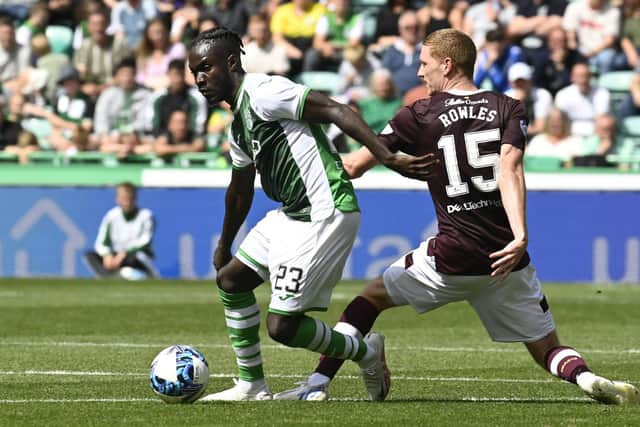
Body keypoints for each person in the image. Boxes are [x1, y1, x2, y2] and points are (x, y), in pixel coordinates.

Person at [275, 28, 640, 405]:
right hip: (505, 261)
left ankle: (317, 384)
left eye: (424, 63)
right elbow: (510, 170)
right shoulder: (507, 107)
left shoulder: (419, 113)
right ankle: (585, 377)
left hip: (449, 258)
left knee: (366, 303)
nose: (419, 73)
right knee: (547, 349)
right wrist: (519, 238)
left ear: (447, 65)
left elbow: (354, 165)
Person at [187, 27, 435, 402]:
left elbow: (337, 110)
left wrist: (385, 156)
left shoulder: (266, 92)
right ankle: (251, 385)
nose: (199, 79)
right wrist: (225, 244)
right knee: (231, 281)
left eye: (205, 68)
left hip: (324, 212)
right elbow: (239, 191)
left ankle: (367, 352)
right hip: (290, 214)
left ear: (231, 63)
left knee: (283, 327)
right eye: (194, 72)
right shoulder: (238, 123)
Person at [84, 182, 159, 280]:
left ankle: (142, 275)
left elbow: (145, 242)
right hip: (115, 257)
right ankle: (108, 277)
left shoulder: (146, 216)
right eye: (123, 199)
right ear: (117, 199)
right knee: (90, 256)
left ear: (134, 199)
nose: (126, 203)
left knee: (135, 258)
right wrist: (107, 255)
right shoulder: (112, 216)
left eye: (129, 199)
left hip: (135, 256)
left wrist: (124, 253)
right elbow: (102, 242)